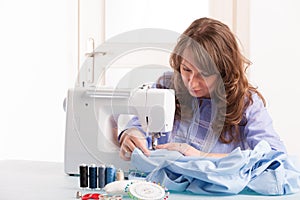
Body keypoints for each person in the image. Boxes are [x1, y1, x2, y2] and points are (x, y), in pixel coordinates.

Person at [118, 17, 286, 161]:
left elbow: (274, 154)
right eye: (186, 70)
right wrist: (131, 134)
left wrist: (201, 156)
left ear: (223, 72)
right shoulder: (166, 87)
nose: (192, 83)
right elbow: (139, 124)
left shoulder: (246, 103)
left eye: (204, 74)